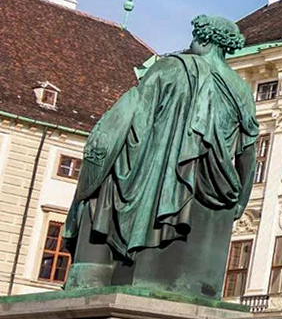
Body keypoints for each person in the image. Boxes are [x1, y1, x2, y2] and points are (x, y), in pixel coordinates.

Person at [64, 15, 258, 300]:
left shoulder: (170, 67)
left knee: (102, 190)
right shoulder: (241, 88)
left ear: (203, 40)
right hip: (218, 187)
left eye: (194, 38)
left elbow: (131, 118)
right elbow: (248, 151)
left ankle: (93, 269)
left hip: (161, 179)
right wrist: (241, 197)